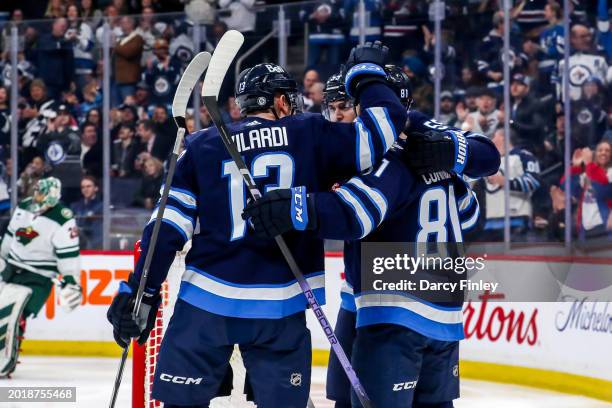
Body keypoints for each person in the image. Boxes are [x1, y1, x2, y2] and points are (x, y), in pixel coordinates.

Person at [108, 41, 408, 407]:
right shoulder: (310, 132)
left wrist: (141, 291)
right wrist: (368, 75)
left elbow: (166, 229)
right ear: (280, 101)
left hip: (205, 304)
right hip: (280, 306)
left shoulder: (201, 145)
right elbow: (383, 130)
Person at [243, 100, 500, 408]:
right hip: (409, 300)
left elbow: (350, 215)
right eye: (332, 108)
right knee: (346, 396)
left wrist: (296, 208)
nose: (337, 116)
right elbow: (470, 214)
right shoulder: (412, 148)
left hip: (392, 302)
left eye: (344, 107)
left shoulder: (391, 159)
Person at [0, 177, 82, 377]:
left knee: (15, 313)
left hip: (38, 277)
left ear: (51, 195)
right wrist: (2, 261)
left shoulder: (63, 217)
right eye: (35, 191)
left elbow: (68, 255)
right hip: (12, 268)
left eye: (40, 192)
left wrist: (71, 281)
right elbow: (10, 237)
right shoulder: (25, 206)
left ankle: (6, 359)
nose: (35, 195)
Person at [480, 126, 541, 242]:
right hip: (490, 223)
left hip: (516, 220)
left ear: (503, 138)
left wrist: (505, 182)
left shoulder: (523, 156)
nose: (492, 141)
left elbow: (533, 181)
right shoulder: (489, 161)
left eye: (494, 137)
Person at [71, 175, 103, 249]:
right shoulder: (75, 206)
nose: (85, 189)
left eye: (88, 186)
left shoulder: (102, 207)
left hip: (96, 246)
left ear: (96, 188)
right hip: (77, 244)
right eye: (83, 187)